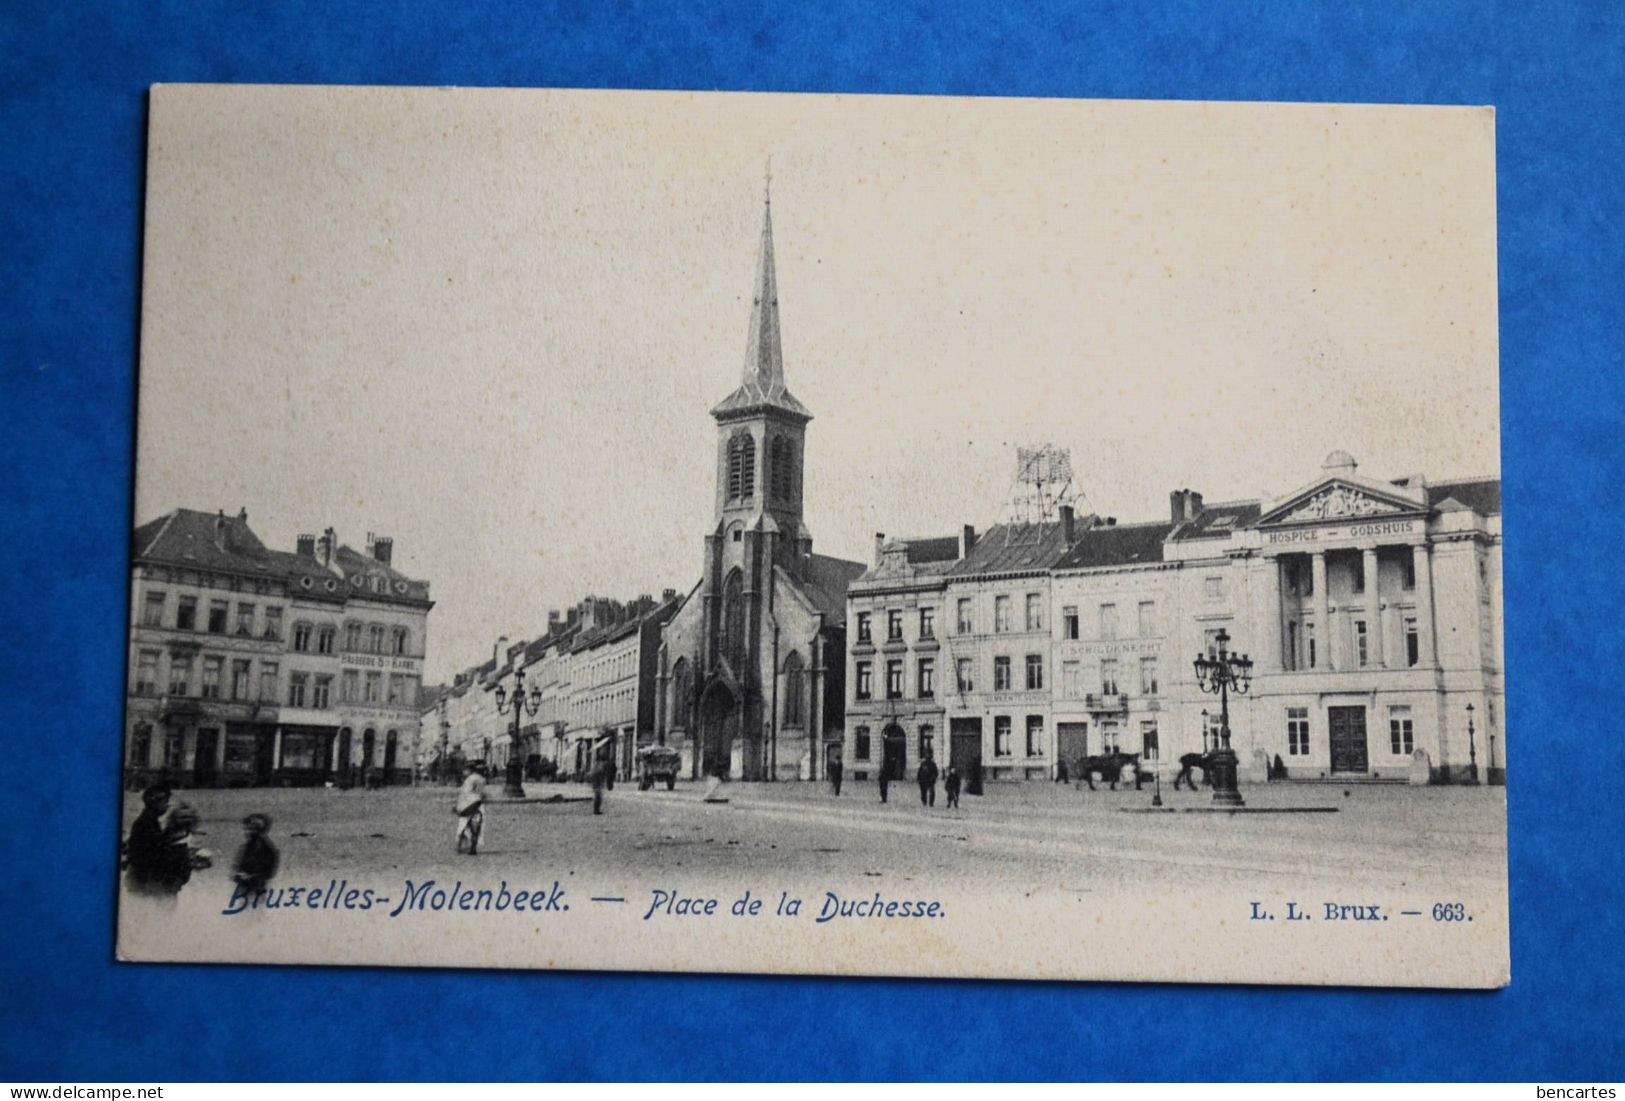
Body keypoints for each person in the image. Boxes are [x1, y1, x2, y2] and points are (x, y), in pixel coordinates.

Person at [124, 782, 174, 896]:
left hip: (144, 880)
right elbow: (145, 856)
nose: (167, 806)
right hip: (144, 883)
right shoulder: (144, 823)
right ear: (154, 803)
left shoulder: (151, 820)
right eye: (165, 802)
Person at [232, 813, 279, 897]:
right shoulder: (246, 847)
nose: (246, 832)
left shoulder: (267, 849)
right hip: (244, 888)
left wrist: (250, 877)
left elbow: (269, 872)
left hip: (256, 889)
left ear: (258, 830)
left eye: (250, 829)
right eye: (246, 829)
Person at [455, 762, 486, 855]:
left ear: (470, 770)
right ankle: (473, 847)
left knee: (463, 825)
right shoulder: (482, 779)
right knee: (476, 827)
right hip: (479, 804)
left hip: (468, 805)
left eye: (465, 770)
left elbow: (466, 793)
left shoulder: (469, 779)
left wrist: (458, 806)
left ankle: (460, 845)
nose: (464, 771)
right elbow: (483, 792)